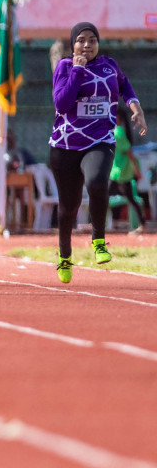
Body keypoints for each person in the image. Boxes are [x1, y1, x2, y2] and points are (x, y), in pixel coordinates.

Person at [47, 21, 147, 283]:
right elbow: (63, 102)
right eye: (81, 40)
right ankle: (65, 257)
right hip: (66, 144)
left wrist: (135, 106)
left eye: (92, 40)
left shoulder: (109, 65)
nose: (87, 45)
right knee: (68, 206)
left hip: (100, 139)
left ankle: (99, 241)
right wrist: (78, 71)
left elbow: (125, 86)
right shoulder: (65, 67)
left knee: (97, 182)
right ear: (72, 45)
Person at [110, 110, 149, 233]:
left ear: (117, 118)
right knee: (103, 195)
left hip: (121, 173)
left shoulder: (118, 132)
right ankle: (104, 222)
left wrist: (136, 171)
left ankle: (142, 225)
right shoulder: (114, 131)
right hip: (116, 172)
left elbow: (129, 153)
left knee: (131, 199)